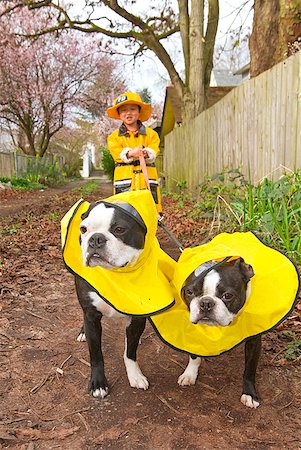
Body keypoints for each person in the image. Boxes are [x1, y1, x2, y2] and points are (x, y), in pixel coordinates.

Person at [106, 91, 162, 213]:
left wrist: (146, 153)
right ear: (119, 114)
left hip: (147, 181)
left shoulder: (151, 134)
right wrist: (130, 154)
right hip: (125, 182)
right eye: (124, 110)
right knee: (124, 213)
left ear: (139, 111)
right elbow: (117, 154)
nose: (128, 113)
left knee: (149, 212)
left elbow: (154, 149)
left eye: (132, 109)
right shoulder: (114, 137)